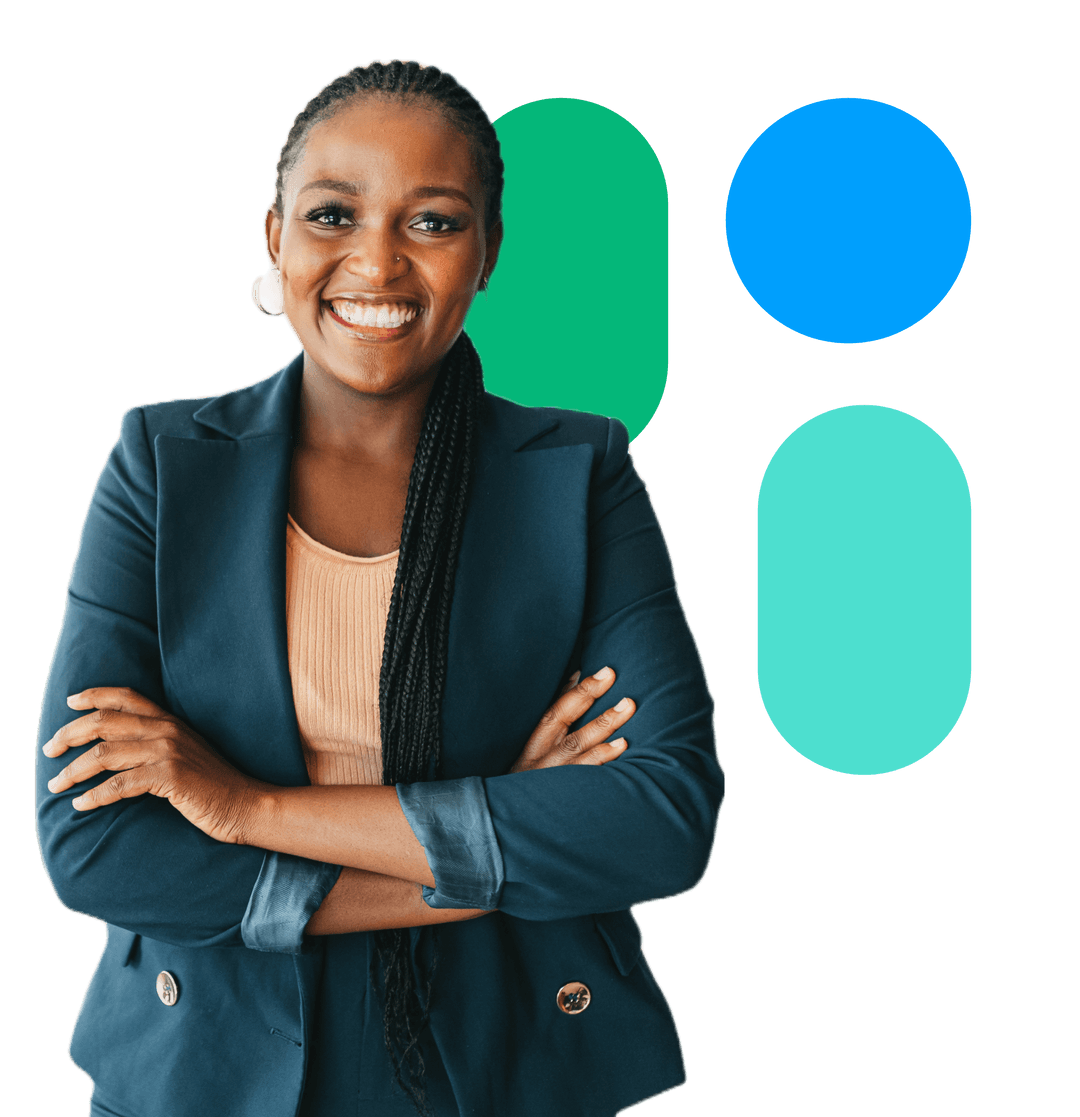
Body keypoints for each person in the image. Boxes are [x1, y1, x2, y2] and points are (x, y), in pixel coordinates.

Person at [35, 59, 724, 1117]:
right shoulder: (165, 462)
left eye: (434, 221)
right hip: (206, 1067)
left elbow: (659, 818)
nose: (376, 261)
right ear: (276, 239)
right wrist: (479, 852)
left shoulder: (578, 476)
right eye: (332, 213)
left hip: (504, 1059)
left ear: (487, 253)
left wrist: (245, 805)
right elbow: (96, 848)